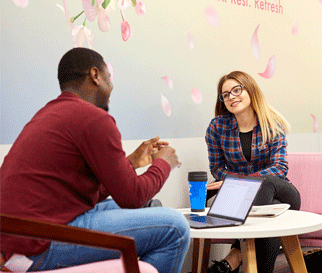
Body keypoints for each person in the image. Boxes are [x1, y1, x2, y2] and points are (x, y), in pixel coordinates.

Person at [0, 47, 190, 273]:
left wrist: (130, 163)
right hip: (38, 244)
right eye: (109, 79)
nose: (111, 87)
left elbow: (81, 196)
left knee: (152, 210)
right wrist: (163, 163)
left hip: (15, 241)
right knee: (175, 227)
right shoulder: (94, 119)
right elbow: (133, 196)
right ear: (95, 76)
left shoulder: (50, 113)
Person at [205, 71, 301, 273]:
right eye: (225, 94)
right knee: (270, 213)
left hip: (282, 192)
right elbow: (217, 168)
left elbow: (279, 169)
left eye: (236, 90)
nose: (231, 97)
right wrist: (239, 184)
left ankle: (235, 255)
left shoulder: (272, 123)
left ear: (251, 90)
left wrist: (239, 181)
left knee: (265, 183)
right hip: (251, 201)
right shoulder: (217, 127)